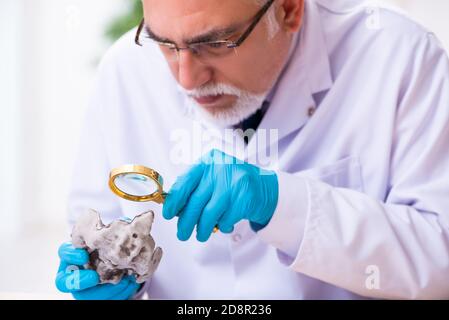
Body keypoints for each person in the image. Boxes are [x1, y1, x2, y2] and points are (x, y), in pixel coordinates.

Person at [55, 0, 449, 299]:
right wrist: (100, 274)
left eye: (214, 43)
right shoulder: (125, 68)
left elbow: (440, 258)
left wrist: (283, 204)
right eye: (164, 43)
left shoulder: (401, 58)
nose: (187, 78)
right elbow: (93, 220)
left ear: (289, 10)